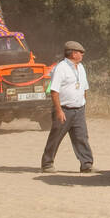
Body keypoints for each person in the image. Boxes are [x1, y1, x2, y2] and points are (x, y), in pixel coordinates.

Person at [40, 41, 93, 173]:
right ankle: (47, 164)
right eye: (80, 52)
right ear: (73, 53)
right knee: (56, 136)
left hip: (79, 109)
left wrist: (83, 103)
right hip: (64, 109)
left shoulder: (81, 67)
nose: (82, 55)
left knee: (81, 137)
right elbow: (54, 91)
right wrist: (58, 110)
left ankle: (86, 164)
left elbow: (84, 88)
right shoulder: (61, 68)